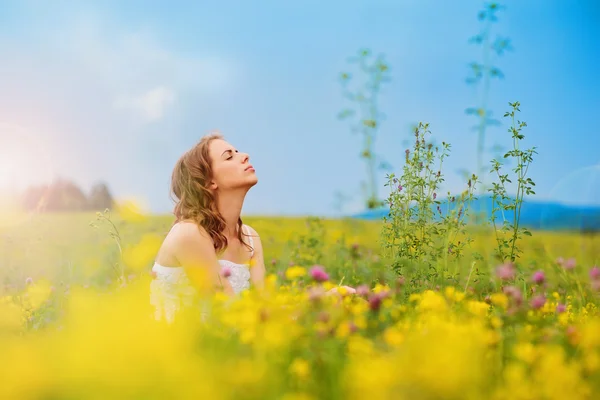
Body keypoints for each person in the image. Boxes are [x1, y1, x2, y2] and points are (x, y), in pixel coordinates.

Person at [149, 132, 354, 323]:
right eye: (229, 157)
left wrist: (322, 300)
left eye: (238, 152)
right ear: (209, 181)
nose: (245, 156)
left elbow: (263, 311)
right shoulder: (189, 233)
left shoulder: (250, 238)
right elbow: (231, 313)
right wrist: (312, 307)